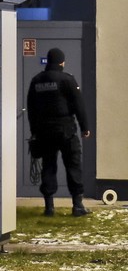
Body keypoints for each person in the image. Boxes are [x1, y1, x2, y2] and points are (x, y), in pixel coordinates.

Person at [26, 48, 91, 217]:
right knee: (73, 166)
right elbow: (79, 105)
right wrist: (85, 127)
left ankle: (49, 207)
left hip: (44, 132)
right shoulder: (67, 79)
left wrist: (34, 131)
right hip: (66, 130)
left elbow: (31, 109)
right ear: (61, 62)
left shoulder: (36, 81)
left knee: (48, 167)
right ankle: (77, 206)